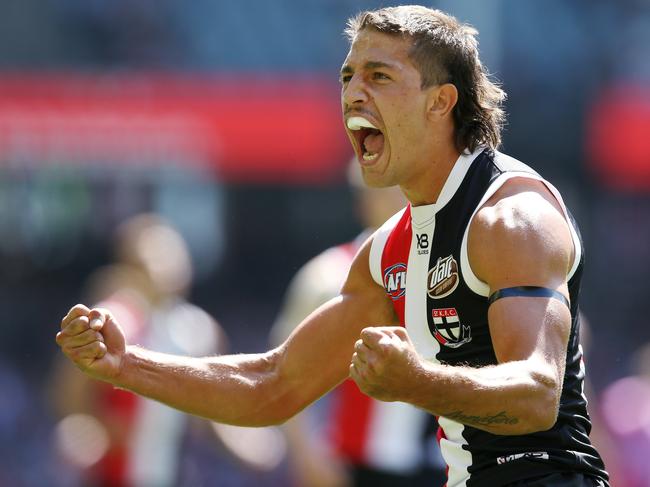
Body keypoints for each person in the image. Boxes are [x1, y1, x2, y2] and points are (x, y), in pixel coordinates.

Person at [56, 6, 609, 486]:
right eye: (347, 76)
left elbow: (537, 396)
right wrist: (126, 365)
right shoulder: (388, 250)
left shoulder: (511, 217)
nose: (352, 94)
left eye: (379, 75)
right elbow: (272, 385)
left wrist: (419, 381)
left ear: (441, 102)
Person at [270, 162, 445, 486]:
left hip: (437, 465)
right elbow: (285, 372)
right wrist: (307, 455)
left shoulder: (446, 266)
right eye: (387, 192)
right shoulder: (330, 274)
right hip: (357, 466)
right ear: (364, 201)